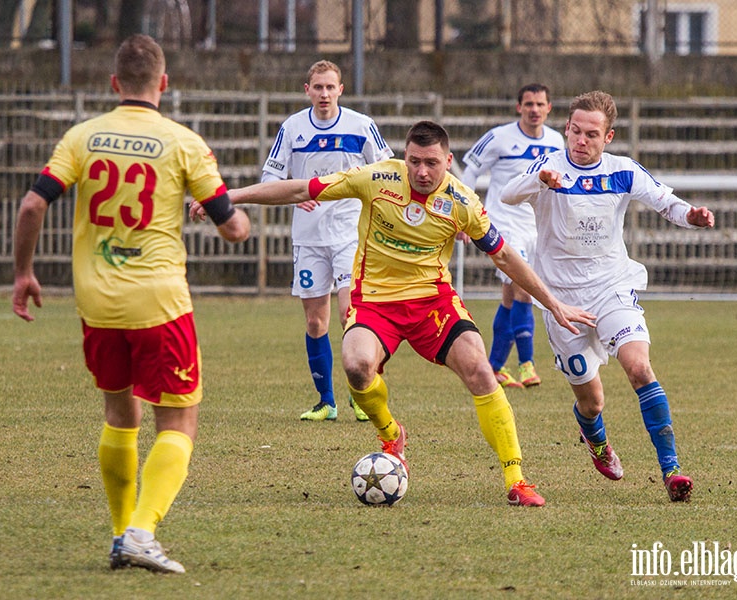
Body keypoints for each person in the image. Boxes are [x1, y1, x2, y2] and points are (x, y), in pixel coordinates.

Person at [196, 120, 597, 507]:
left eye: (431, 163)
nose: (421, 171)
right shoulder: (376, 178)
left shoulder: (462, 203)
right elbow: (300, 187)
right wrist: (228, 197)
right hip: (375, 301)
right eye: (414, 161)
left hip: (432, 304)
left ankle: (516, 480)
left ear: (448, 161)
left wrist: (553, 302)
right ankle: (391, 434)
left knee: (479, 368)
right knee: (355, 366)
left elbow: (506, 256)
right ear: (404, 158)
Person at [12, 34, 251, 573]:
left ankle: (122, 532)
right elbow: (232, 228)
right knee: (180, 420)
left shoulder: (82, 136)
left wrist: (23, 273)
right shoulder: (183, 143)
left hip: (96, 302)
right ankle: (142, 532)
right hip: (159, 302)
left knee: (121, 412)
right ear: (164, 84)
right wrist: (240, 217)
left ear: (114, 84)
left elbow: (32, 205)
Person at [500, 90, 715, 502]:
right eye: (575, 131)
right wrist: (538, 180)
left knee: (639, 368)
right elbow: (509, 193)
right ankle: (596, 440)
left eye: (591, 135)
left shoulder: (623, 171)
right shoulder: (550, 167)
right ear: (565, 128)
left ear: (609, 137)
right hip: (562, 302)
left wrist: (692, 216)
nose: (581, 141)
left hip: (611, 288)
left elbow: (665, 203)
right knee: (592, 401)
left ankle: (672, 471)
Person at [263, 60, 393, 422]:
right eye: (317, 87)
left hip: (350, 235)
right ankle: (326, 401)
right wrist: (292, 195)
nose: (323, 94)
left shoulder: (362, 126)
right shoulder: (292, 128)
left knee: (350, 314)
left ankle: (360, 392)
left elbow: (386, 170)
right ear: (307, 90)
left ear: (341, 90)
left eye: (329, 87)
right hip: (308, 237)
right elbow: (269, 175)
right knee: (315, 322)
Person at [461, 83, 565, 389]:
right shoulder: (498, 137)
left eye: (540, 104)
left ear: (549, 108)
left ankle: (493, 366)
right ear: (519, 107)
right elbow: (470, 171)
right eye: (529, 104)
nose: (534, 109)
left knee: (510, 297)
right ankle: (526, 364)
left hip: (537, 227)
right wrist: (465, 214)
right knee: (524, 289)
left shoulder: (557, 141)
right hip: (503, 224)